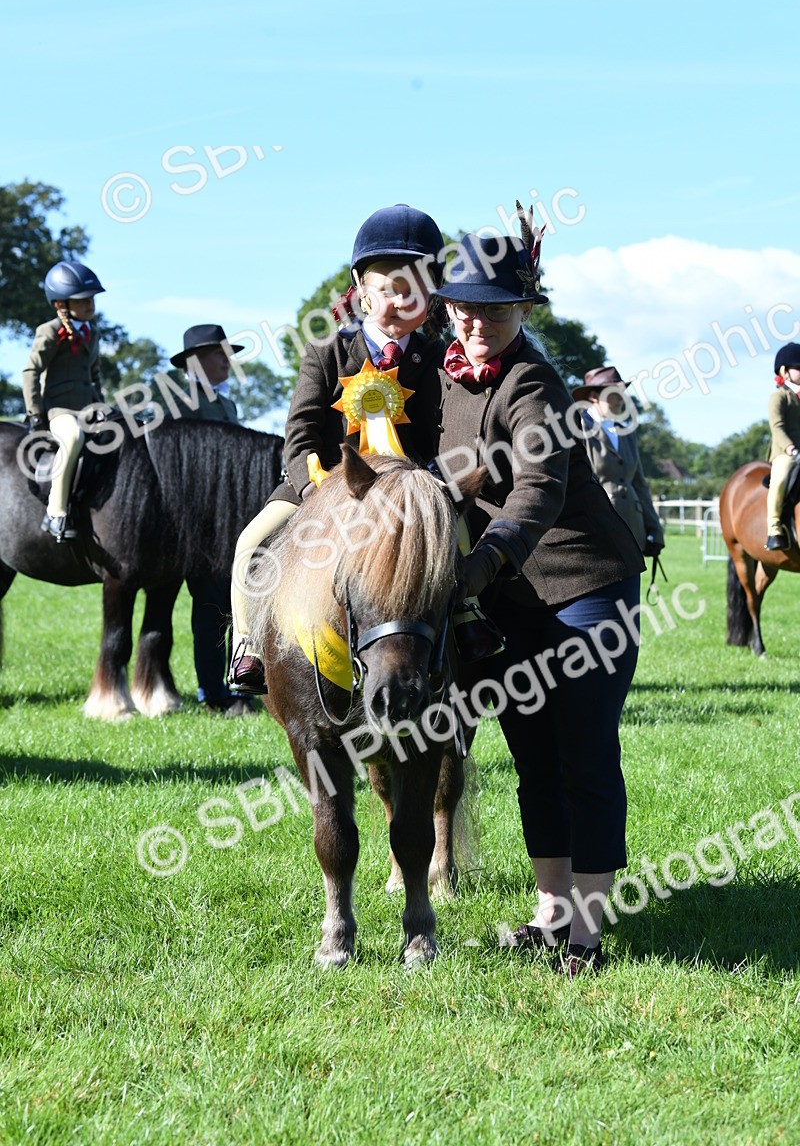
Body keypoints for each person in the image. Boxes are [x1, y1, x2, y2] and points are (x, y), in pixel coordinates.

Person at [434, 223, 644, 977]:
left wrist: (483, 561)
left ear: (525, 310)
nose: (475, 321)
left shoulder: (535, 383)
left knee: (584, 753)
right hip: (509, 596)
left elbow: (538, 488)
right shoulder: (440, 375)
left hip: (587, 586)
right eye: (462, 306)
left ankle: (587, 933)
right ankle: (550, 914)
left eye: (493, 309)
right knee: (532, 757)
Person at [228, 203, 463, 695]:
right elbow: (300, 431)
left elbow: (441, 436)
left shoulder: (437, 360)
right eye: (384, 291)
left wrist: (430, 483)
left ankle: (469, 618)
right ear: (360, 289)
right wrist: (315, 482)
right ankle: (248, 646)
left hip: (408, 493)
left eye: (411, 294)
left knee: (459, 536)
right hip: (325, 483)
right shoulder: (325, 350)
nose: (396, 304)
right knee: (251, 544)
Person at [169, 324, 252, 715]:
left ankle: (237, 683)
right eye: (219, 354)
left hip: (230, 518)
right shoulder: (181, 402)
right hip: (198, 521)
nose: (226, 360)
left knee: (234, 605)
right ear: (196, 362)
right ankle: (211, 691)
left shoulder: (228, 405)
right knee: (209, 608)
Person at [22, 260, 106, 541]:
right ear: (61, 304)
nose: (90, 304)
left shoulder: (92, 332)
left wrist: (104, 407)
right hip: (60, 411)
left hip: (90, 408)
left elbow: (94, 375)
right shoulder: (49, 331)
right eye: (82, 300)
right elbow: (31, 371)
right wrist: (36, 414)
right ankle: (56, 512)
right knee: (72, 438)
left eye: (92, 298)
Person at [573, 365, 664, 556]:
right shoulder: (578, 428)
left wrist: (654, 529)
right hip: (597, 527)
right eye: (614, 392)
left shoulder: (627, 431)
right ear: (594, 397)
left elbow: (639, 484)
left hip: (633, 526)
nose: (622, 397)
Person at [765, 342, 800, 551]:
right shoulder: (778, 397)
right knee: (781, 477)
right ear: (784, 371)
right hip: (785, 453)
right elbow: (777, 428)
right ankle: (774, 527)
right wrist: (792, 450)